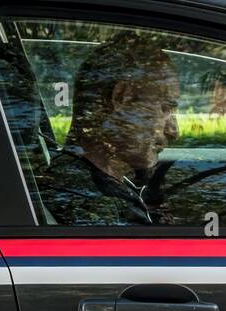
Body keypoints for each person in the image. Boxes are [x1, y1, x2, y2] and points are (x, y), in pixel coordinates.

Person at [39, 31, 180, 224]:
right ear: (122, 98)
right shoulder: (87, 205)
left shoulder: (85, 185)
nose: (174, 131)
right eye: (165, 108)